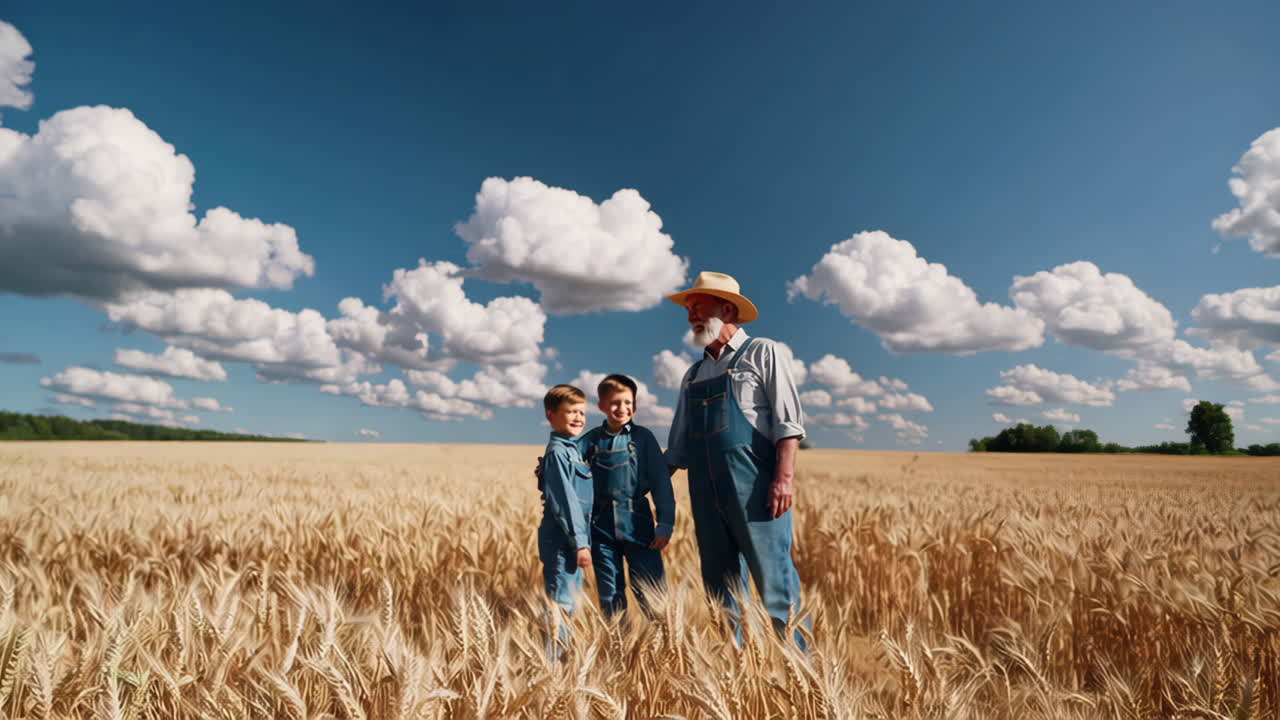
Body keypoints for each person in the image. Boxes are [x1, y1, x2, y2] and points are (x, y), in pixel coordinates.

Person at [664, 271, 809, 647]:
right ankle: (738, 678)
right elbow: (678, 448)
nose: (690, 315)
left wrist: (784, 479)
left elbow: (788, 424)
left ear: (726, 309)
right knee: (720, 590)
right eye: (689, 309)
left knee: (776, 585)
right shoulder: (693, 375)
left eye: (698, 307)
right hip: (706, 497)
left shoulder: (763, 352)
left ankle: (803, 673)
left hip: (757, 494)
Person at [578, 374, 676, 619]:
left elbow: (661, 482)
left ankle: (664, 647)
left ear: (635, 404)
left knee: (651, 590)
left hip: (640, 527)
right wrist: (546, 468)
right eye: (614, 403)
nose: (622, 408)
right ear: (601, 406)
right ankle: (618, 647)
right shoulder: (590, 440)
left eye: (627, 402)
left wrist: (665, 523)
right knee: (610, 595)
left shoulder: (643, 438)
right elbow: (565, 464)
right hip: (601, 529)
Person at [537, 384, 593, 654]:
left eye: (581, 412)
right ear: (551, 415)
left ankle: (562, 662)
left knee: (569, 605)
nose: (578, 418)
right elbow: (566, 503)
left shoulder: (573, 450)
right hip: (563, 542)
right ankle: (553, 668)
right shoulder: (559, 452)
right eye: (570, 411)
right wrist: (580, 543)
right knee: (560, 605)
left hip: (571, 540)